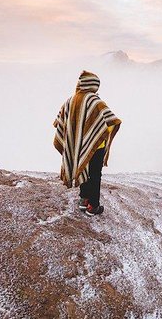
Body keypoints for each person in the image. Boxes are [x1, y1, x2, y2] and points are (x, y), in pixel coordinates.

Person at [53, 70, 121, 216]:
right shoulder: (96, 102)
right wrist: (98, 134)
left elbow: (60, 122)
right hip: (97, 145)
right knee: (95, 174)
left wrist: (76, 136)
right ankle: (93, 206)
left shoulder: (70, 100)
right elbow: (111, 120)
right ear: (94, 85)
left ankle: (83, 200)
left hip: (77, 145)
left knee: (81, 166)